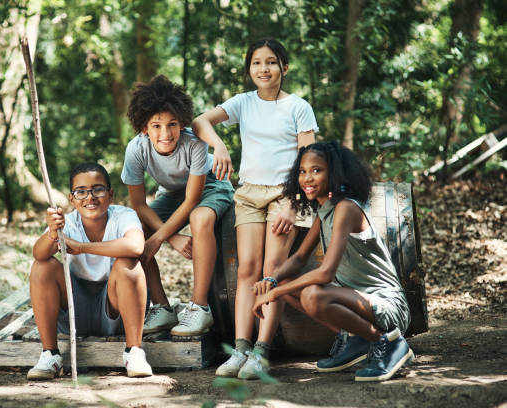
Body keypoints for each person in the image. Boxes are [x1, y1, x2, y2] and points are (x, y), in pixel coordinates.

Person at [192, 38, 318, 379]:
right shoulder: (243, 103)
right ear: (249, 69)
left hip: (284, 195)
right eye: (257, 63)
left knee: (270, 271)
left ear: (284, 67)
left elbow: (309, 160)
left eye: (272, 62)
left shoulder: (298, 107)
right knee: (247, 269)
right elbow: (200, 121)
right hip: (248, 194)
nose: (264, 69)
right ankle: (241, 349)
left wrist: (294, 205)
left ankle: (262, 352)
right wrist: (219, 146)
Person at [252, 141, 414, 382]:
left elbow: (325, 273)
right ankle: (355, 339)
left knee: (313, 295)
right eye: (302, 171)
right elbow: (298, 258)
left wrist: (273, 295)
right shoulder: (324, 211)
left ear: (334, 173)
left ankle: (387, 343)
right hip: (356, 301)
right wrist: (271, 281)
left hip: (387, 305)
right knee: (285, 282)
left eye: (317, 170)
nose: (307, 178)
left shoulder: (346, 208)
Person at [121, 75, 234, 337]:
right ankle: (162, 307)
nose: (165, 133)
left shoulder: (193, 143)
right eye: (156, 125)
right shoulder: (136, 150)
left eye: (172, 124)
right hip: (172, 194)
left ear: (181, 122)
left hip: (212, 185)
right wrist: (170, 237)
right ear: (143, 128)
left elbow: (193, 199)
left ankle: (200, 308)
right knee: (136, 231)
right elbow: (138, 204)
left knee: (200, 218)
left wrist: (163, 237)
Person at [27, 162, 152, 380]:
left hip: (115, 309)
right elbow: (38, 253)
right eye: (81, 191)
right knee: (42, 266)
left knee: (128, 264)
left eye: (98, 189)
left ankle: (134, 352)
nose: (90, 197)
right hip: (76, 310)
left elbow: (135, 246)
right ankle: (50, 354)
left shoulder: (123, 215)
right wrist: (52, 233)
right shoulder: (67, 222)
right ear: (71, 198)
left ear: (110, 194)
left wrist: (82, 247)